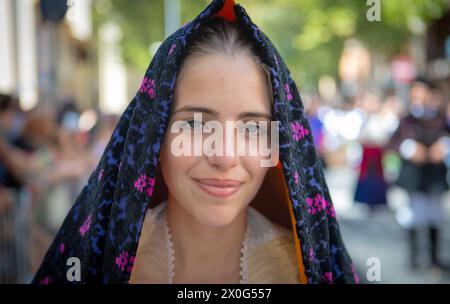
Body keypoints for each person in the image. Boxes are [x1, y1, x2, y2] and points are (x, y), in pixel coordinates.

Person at [32, 0, 357, 284]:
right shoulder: (96, 265)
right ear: (153, 136)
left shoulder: (307, 272)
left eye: (253, 128)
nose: (225, 156)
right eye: (196, 124)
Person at [387, 78, 449, 271]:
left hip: (434, 175)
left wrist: (443, 147)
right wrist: (410, 149)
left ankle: (433, 258)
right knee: (413, 215)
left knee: (434, 215)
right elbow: (394, 143)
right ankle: (414, 258)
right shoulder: (407, 119)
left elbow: (446, 136)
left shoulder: (439, 118)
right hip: (415, 176)